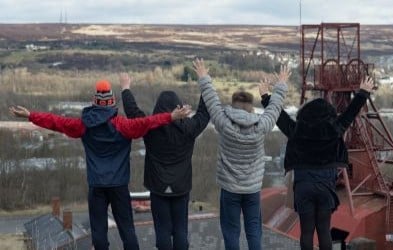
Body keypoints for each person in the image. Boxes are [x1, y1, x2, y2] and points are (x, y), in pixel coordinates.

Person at [9, 74, 192, 250]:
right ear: (112, 103)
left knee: (99, 232)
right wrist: (170, 117)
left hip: (97, 185)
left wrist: (31, 115)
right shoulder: (123, 126)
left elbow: (56, 122)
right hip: (119, 185)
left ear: (94, 102)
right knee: (127, 230)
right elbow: (148, 122)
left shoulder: (83, 125)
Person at [260, 76, 375, 250]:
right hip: (325, 184)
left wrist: (266, 97)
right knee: (323, 230)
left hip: (303, 184)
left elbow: (279, 116)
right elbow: (350, 113)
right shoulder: (334, 128)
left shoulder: (297, 129)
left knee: (306, 231)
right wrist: (363, 92)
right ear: (328, 113)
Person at [192, 58, 290, 250]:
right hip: (252, 188)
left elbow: (211, 100)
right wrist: (281, 84)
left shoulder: (223, 123)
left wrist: (204, 77)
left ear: (233, 105)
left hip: (229, 188)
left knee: (231, 231)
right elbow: (275, 107)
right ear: (251, 108)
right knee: (254, 229)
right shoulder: (261, 126)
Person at [120, 73, 210, 250]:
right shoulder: (189, 128)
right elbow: (203, 114)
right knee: (180, 231)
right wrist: (205, 83)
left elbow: (133, 112)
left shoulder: (151, 128)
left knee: (162, 230)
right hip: (181, 187)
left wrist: (125, 88)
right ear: (178, 107)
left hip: (158, 187)